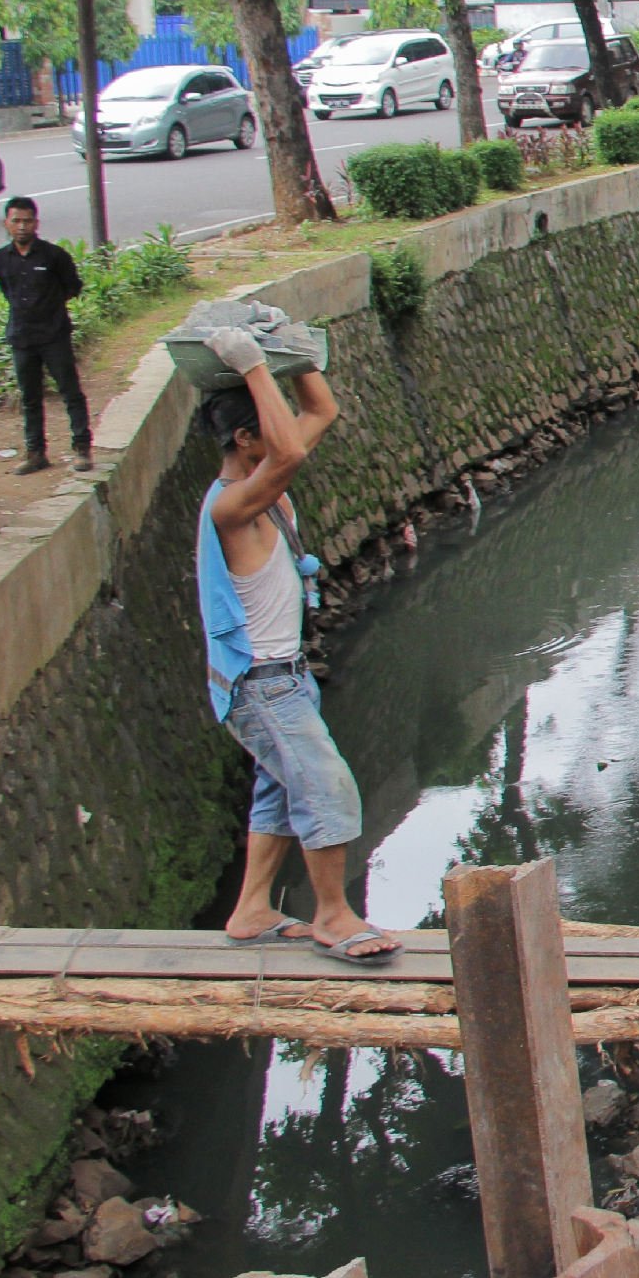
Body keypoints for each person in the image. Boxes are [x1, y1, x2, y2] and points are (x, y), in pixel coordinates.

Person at [196, 323, 398, 965]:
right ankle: (333, 915)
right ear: (243, 439)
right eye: (268, 422)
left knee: (280, 792)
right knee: (324, 786)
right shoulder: (231, 507)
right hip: (259, 684)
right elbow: (289, 455)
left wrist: (297, 357)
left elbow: (321, 411)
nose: (285, 430)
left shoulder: (262, 490)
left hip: (285, 676)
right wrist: (255, 366)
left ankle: (252, 909)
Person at [0, 197, 90, 474]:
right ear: (6, 224)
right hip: (21, 338)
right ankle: (36, 453)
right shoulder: (2, 258)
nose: (22, 226)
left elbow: (72, 286)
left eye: (27, 221)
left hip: (54, 336)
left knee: (70, 392)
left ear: (36, 223)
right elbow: (7, 289)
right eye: (16, 221)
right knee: (30, 397)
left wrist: (50, 310)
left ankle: (82, 448)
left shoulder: (54, 256)